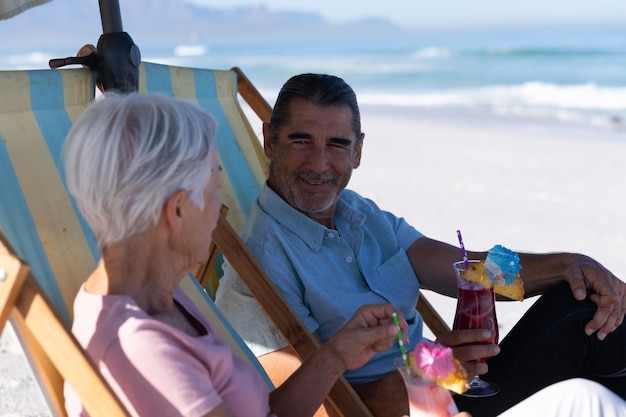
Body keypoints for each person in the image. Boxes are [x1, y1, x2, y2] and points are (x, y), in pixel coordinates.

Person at [214, 73, 626, 417]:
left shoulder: (359, 214)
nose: (320, 164)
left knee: (587, 301)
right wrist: (434, 367)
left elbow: (471, 270)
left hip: (455, 381)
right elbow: (312, 407)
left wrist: (571, 264)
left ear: (358, 150)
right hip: (425, 405)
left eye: (337, 144)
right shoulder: (258, 266)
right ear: (270, 140)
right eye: (301, 141)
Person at [61, 92, 410, 417]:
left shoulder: (156, 295)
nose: (220, 210)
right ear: (178, 211)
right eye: (214, 192)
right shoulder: (141, 349)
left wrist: (335, 356)